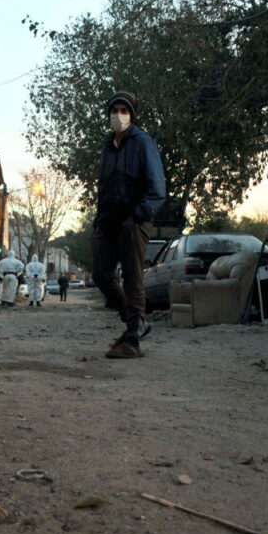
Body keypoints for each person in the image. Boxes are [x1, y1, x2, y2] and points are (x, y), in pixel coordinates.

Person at [91, 91, 166, 359]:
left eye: (124, 110)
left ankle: (133, 337)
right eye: (115, 110)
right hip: (108, 221)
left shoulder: (143, 142)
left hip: (133, 221)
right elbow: (104, 186)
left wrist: (137, 216)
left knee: (133, 276)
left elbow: (157, 189)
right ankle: (135, 323)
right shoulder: (107, 147)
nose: (118, 115)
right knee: (101, 274)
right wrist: (99, 220)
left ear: (131, 114)